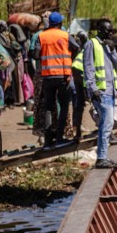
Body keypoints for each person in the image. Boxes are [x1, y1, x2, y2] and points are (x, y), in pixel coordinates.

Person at [81, 21, 117, 168]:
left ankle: (103, 156)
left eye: (112, 31)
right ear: (100, 30)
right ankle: (101, 158)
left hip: (110, 90)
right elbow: (88, 68)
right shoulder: (91, 44)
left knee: (107, 124)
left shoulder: (108, 46)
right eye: (108, 31)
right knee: (107, 124)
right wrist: (93, 89)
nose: (110, 34)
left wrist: (112, 50)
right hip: (100, 91)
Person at [38, 11, 74, 149]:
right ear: (60, 23)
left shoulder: (41, 36)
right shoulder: (65, 35)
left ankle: (47, 141)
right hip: (63, 76)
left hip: (47, 76)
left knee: (48, 108)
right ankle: (59, 138)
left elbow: (35, 54)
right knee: (64, 106)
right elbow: (76, 46)